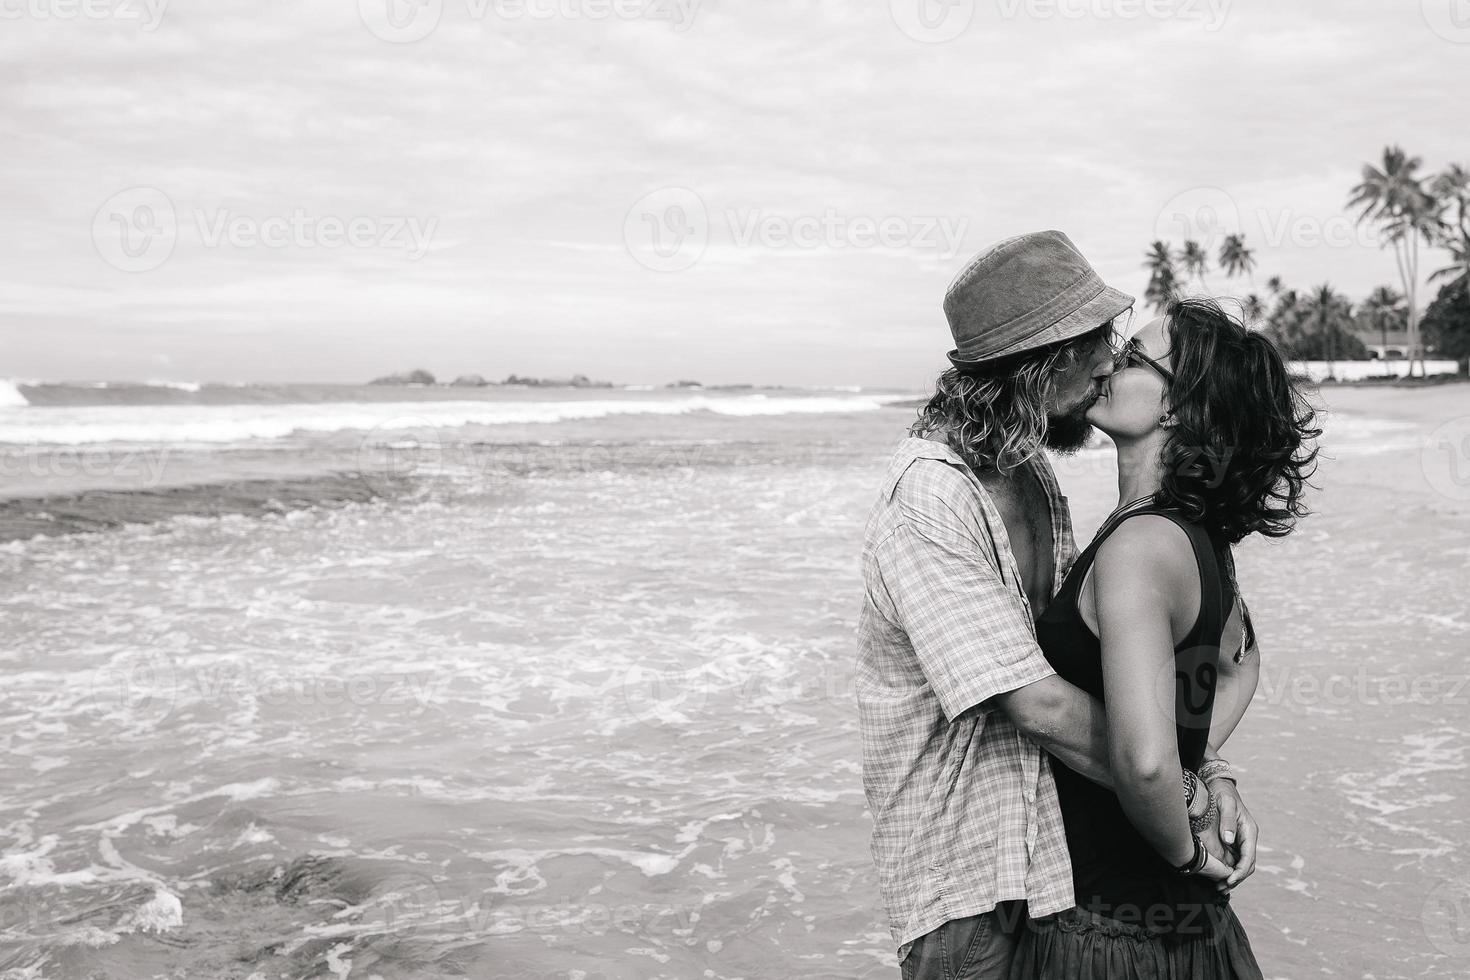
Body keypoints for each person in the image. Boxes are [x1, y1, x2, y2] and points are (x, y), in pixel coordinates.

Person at [856, 231, 1259, 980]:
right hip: (967, 880)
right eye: (1095, 343)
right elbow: (1035, 702)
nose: (1109, 359)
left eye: (1124, 346)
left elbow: (1178, 659)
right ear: (1038, 363)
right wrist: (1185, 792)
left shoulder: (1031, 474)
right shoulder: (931, 496)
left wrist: (1211, 770)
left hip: (1054, 873)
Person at [1009, 297, 1317, 978]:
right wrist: (1206, 763)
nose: (1104, 368)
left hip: (1110, 931)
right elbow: (1241, 665)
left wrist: (1186, 850)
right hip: (1190, 929)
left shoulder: (1140, 546)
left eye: (1130, 358)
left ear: (1179, 405)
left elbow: (1144, 763)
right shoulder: (1193, 536)